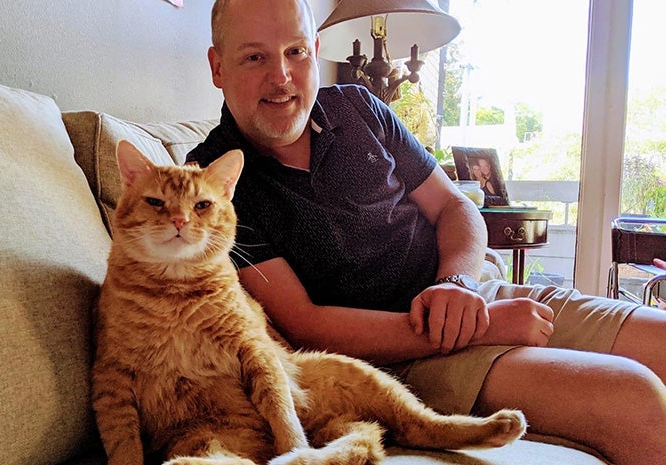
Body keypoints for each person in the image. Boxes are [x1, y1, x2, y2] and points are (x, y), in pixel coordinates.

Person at [188, 0, 666, 463]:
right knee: (633, 395)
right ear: (217, 67)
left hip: (472, 295)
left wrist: (458, 285)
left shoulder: (359, 106)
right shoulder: (207, 184)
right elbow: (305, 324)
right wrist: (475, 329)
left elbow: (455, 206)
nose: (281, 77)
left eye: (295, 51)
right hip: (399, 359)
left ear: (315, 48)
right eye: (255, 57)